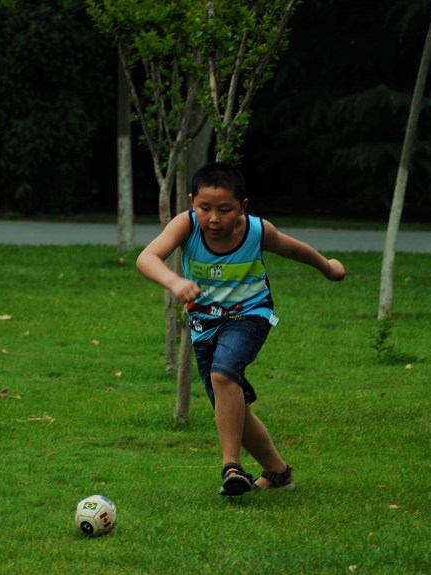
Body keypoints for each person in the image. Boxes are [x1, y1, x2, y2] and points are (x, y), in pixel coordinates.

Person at [136, 162, 346, 496]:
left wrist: (328, 267)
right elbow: (147, 257)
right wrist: (174, 281)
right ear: (192, 202)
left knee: (223, 375)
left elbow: (294, 249)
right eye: (205, 208)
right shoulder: (186, 226)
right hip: (204, 326)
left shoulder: (257, 231)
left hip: (251, 315)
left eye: (225, 209)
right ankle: (278, 473)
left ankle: (231, 466)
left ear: (243, 207)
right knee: (230, 407)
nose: (214, 218)